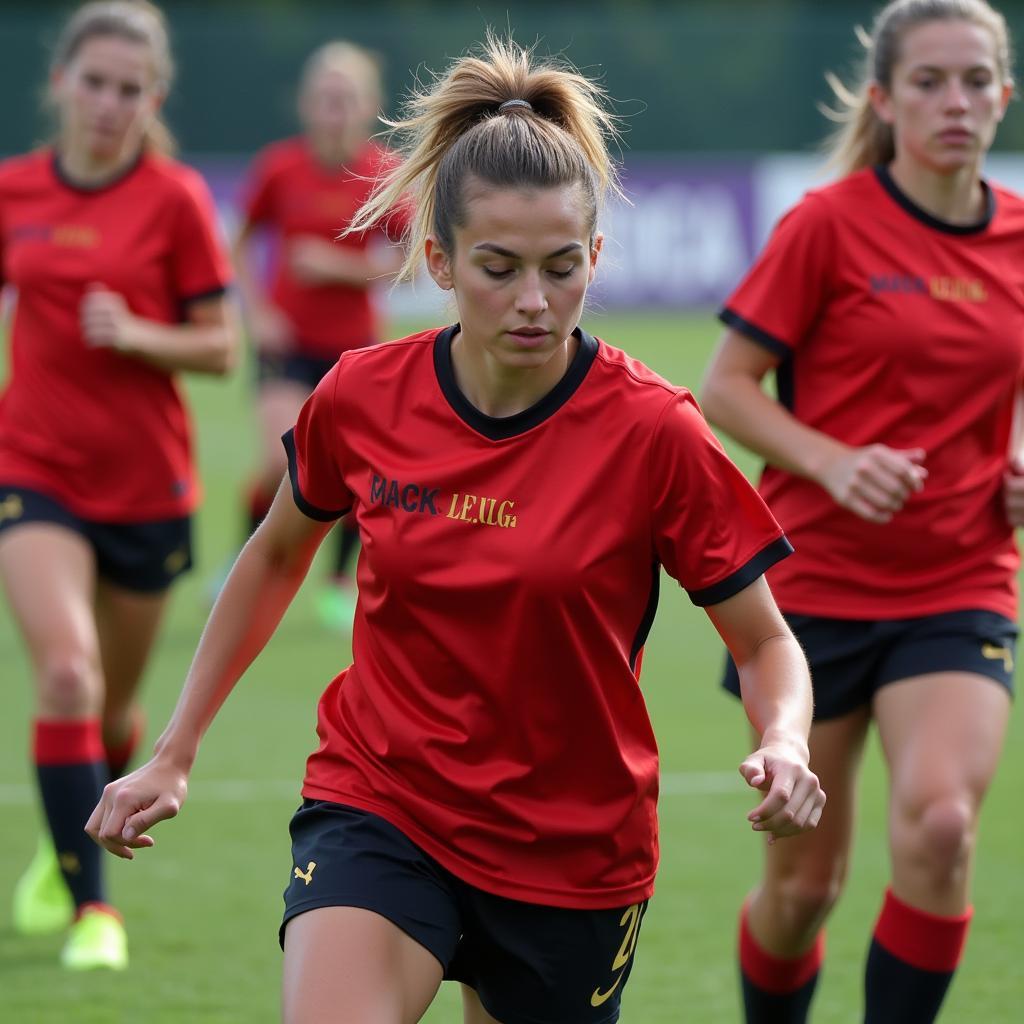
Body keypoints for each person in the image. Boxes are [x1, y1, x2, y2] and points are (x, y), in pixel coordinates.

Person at [88, 36, 824, 1023]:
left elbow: (766, 638)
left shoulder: (655, 432)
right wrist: (175, 748)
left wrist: (783, 739)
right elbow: (270, 560)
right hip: (384, 805)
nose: (534, 299)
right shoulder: (360, 396)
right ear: (437, 260)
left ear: (596, 258)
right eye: (499, 268)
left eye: (562, 268)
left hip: (573, 853)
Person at [699, 2, 1021, 1021]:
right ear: (883, 101)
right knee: (803, 891)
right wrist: (832, 462)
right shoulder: (826, 226)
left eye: (976, 79)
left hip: (959, 581)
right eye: (928, 81)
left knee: (939, 828)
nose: (955, 101)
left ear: (1004, 95)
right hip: (810, 594)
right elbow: (726, 387)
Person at [0, 0, 237, 970]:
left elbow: (222, 347)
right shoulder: (13, 189)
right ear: (60, 83)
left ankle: (62, 839)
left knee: (106, 713)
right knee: (64, 671)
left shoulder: (175, 198)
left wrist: (139, 333)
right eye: (92, 83)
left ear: (154, 98)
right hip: (32, 470)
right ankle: (96, 908)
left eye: (128, 90)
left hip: (148, 488)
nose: (107, 104)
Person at [231, 40, 406, 630]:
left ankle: (337, 581)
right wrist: (257, 312)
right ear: (306, 104)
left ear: (368, 106)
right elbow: (235, 246)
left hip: (355, 349)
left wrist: (340, 269)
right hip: (286, 344)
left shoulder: (383, 172)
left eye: (346, 98)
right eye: (325, 98)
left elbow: (414, 257)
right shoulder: (279, 168)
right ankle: (244, 560)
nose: (335, 109)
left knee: (359, 467)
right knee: (276, 458)